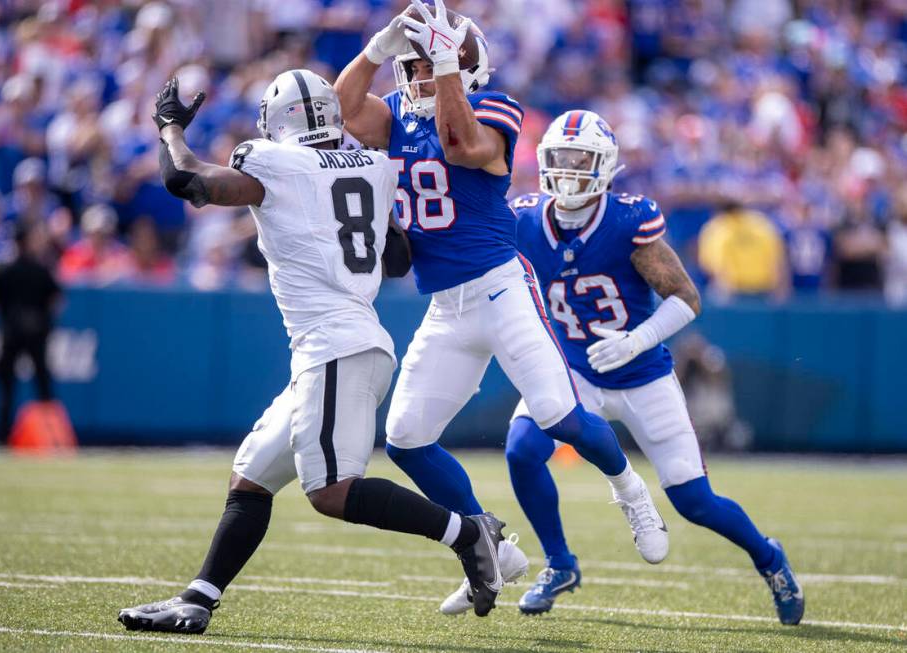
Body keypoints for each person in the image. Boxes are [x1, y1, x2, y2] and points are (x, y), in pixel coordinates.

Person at [118, 71, 511, 635]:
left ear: (275, 123)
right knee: (251, 479)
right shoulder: (374, 166)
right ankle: (198, 598)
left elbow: (187, 179)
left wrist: (170, 127)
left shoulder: (272, 161)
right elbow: (396, 257)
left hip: (336, 348)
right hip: (341, 346)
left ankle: (470, 534)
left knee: (330, 491)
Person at [335, 0, 667, 598]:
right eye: (407, 68)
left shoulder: (496, 107)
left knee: (559, 416)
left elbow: (462, 145)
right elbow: (340, 109)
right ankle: (489, 541)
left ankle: (630, 491)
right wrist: (376, 51)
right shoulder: (397, 114)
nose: (413, 78)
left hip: (501, 290)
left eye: (424, 66)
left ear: (466, 69)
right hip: (446, 307)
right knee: (406, 437)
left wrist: (443, 65)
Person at [455, 109, 803, 625]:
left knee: (693, 501)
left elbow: (686, 299)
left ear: (606, 167)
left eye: (581, 160)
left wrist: (636, 340)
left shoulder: (626, 220)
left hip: (643, 375)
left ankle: (769, 557)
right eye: (561, 160)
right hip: (572, 370)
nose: (570, 171)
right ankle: (559, 563)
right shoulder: (525, 218)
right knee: (522, 449)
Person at [0, 222, 62, 442]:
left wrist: (8, 316)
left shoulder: (7, 269)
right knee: (42, 387)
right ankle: (53, 439)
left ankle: (2, 437)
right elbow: (57, 300)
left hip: (12, 333)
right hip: (35, 333)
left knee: (7, 388)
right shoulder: (39, 269)